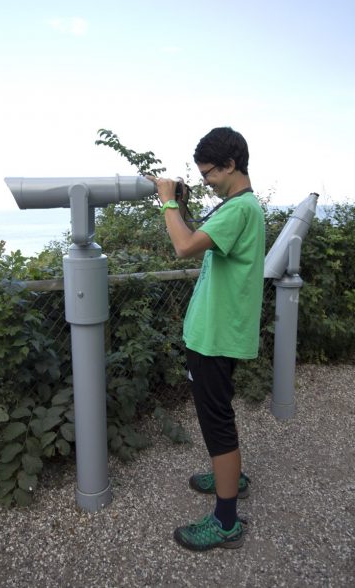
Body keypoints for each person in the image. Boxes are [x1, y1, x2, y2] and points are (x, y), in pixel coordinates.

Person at [147, 126, 265, 551]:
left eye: (210, 173)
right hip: (220, 331)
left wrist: (168, 200)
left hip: (215, 337)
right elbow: (204, 237)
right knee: (219, 413)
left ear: (232, 164)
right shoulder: (239, 206)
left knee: (217, 423)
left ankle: (226, 521)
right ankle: (227, 475)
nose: (207, 181)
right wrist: (182, 200)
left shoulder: (238, 210)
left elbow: (183, 246)